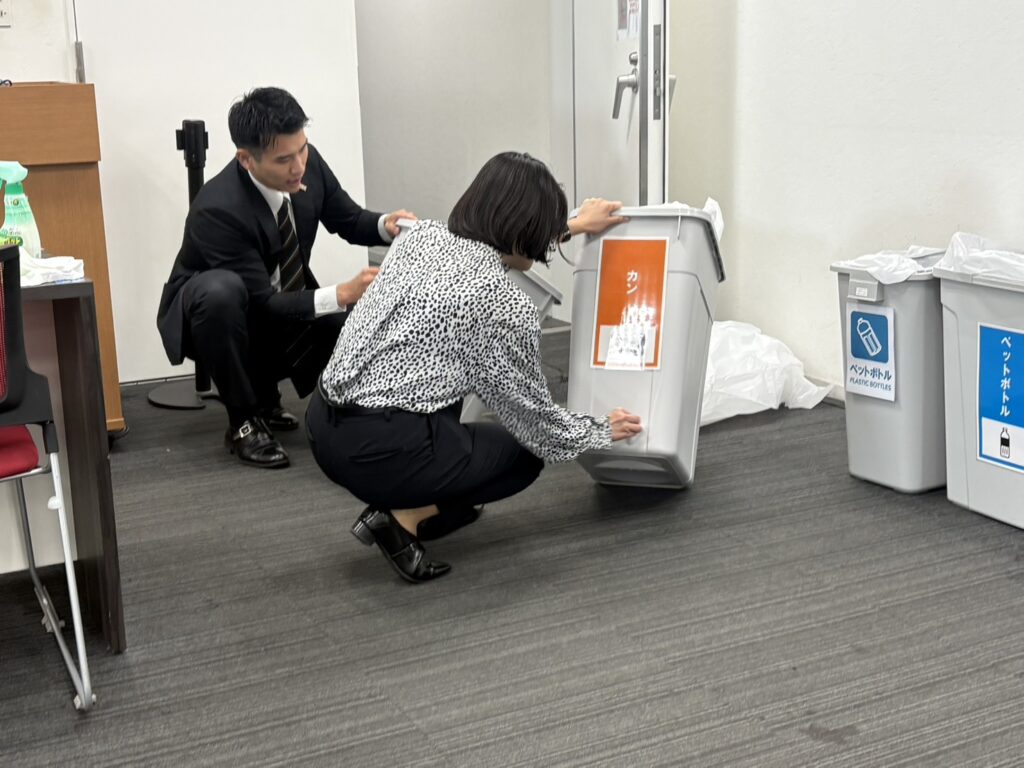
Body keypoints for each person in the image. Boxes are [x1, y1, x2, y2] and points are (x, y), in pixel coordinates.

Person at [306, 151, 643, 584]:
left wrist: (572, 224)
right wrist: (600, 429)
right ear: (526, 230)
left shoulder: (420, 237)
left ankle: (413, 499)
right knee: (525, 457)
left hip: (322, 426)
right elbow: (537, 426)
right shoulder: (501, 303)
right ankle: (403, 517)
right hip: (377, 451)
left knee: (447, 377)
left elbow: (499, 233)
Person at [157, 87, 414, 469]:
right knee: (222, 292)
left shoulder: (306, 162)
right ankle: (244, 422)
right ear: (246, 159)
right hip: (218, 318)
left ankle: (275, 401)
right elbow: (261, 303)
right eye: (283, 160)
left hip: (276, 303)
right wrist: (342, 292)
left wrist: (385, 225)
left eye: (302, 150)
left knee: (348, 322)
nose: (298, 167)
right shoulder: (217, 208)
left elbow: (348, 218)